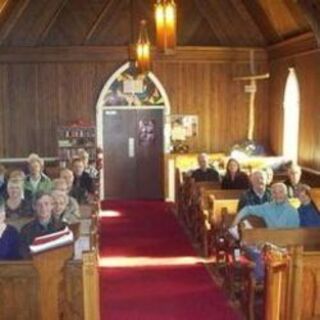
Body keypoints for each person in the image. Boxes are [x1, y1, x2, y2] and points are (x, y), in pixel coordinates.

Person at [233, 182, 299, 228]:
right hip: (270, 242)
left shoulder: (293, 211)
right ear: (272, 195)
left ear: (286, 194)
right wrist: (234, 224)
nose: (278, 195)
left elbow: (294, 234)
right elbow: (247, 209)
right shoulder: (266, 207)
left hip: (288, 244)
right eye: (274, 192)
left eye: (281, 192)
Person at [19, 193, 64, 258]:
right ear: (34, 207)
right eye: (39, 204)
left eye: (46, 204)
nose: (43, 208)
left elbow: (67, 251)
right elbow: (23, 253)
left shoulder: (63, 228)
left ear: (52, 206)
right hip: (34, 265)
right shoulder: (26, 229)